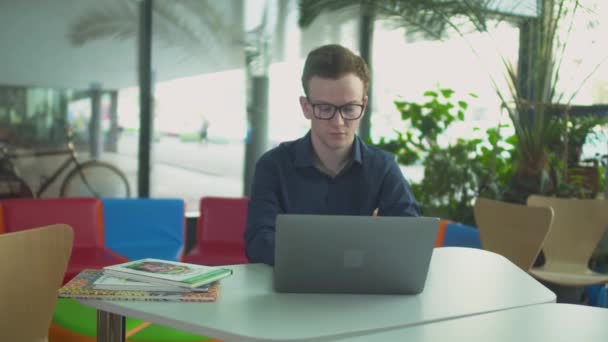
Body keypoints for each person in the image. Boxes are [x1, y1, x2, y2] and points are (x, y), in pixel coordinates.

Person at [244, 44, 420, 266]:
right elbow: (258, 243)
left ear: (363, 106)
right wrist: (347, 256)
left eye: (349, 109)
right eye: (325, 109)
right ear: (306, 107)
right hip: (293, 291)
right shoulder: (273, 166)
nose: (338, 122)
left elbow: (409, 237)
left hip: (360, 289)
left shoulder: (382, 167)